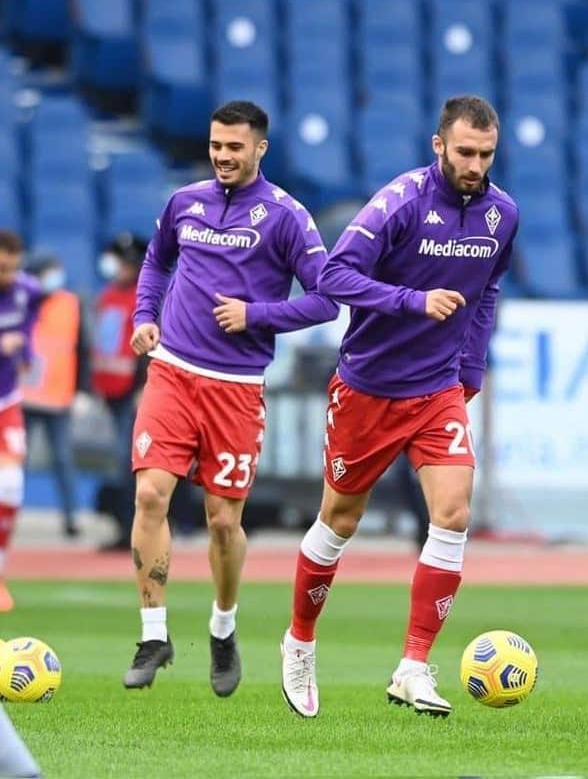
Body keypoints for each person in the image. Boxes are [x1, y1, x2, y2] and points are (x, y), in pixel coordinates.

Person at [280, 95, 519, 718]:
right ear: (439, 145)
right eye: (464, 152)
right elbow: (333, 277)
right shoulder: (400, 202)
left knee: (454, 512)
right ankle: (299, 640)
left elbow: (486, 290)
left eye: (486, 154)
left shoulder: (502, 214)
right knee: (339, 521)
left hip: (437, 387)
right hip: (368, 387)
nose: (474, 164)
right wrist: (414, 302)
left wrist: (471, 365)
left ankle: (413, 665)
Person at [123, 100, 339, 694]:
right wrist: (146, 316)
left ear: (259, 148)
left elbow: (326, 298)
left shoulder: (287, 216)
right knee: (150, 494)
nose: (222, 155)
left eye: (234, 147)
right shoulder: (183, 202)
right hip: (171, 373)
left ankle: (223, 628)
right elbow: (156, 261)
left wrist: (257, 315)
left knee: (223, 522)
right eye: (217, 145)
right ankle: (153, 633)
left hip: (236, 388)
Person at [21, 253, 90, 538]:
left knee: (63, 458)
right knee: (13, 460)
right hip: (23, 396)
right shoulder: (21, 300)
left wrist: (82, 391)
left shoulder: (70, 304)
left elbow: (83, 349)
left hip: (58, 398)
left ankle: (71, 516)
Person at [92, 233, 147, 551]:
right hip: (111, 391)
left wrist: (144, 385)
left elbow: (149, 345)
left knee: (130, 463)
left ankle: (132, 528)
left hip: (132, 392)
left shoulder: (143, 297)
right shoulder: (110, 295)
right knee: (119, 461)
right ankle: (125, 525)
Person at [0, 231, 42, 613]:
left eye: (13, 266)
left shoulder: (28, 289)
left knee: (10, 487)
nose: (7, 274)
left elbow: (28, 329)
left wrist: (25, 350)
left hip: (7, 400)